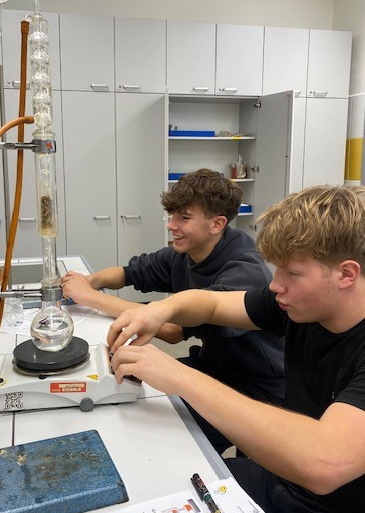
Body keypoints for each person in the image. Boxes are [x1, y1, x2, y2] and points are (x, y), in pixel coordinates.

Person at [108, 185, 365, 513]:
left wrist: (179, 377)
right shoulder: (303, 305)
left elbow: (325, 463)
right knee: (154, 490)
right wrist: (160, 310)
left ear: (346, 274)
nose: (275, 285)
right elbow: (213, 305)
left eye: (291, 272)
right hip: (283, 484)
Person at [62, 169, 285, 453]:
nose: (171, 225)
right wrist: (88, 281)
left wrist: (91, 298)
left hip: (256, 388)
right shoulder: (185, 253)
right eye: (171, 215)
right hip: (214, 365)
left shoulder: (244, 269)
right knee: (132, 403)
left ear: (217, 224)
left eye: (184, 217)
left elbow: (172, 330)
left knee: (169, 444)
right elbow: (129, 273)